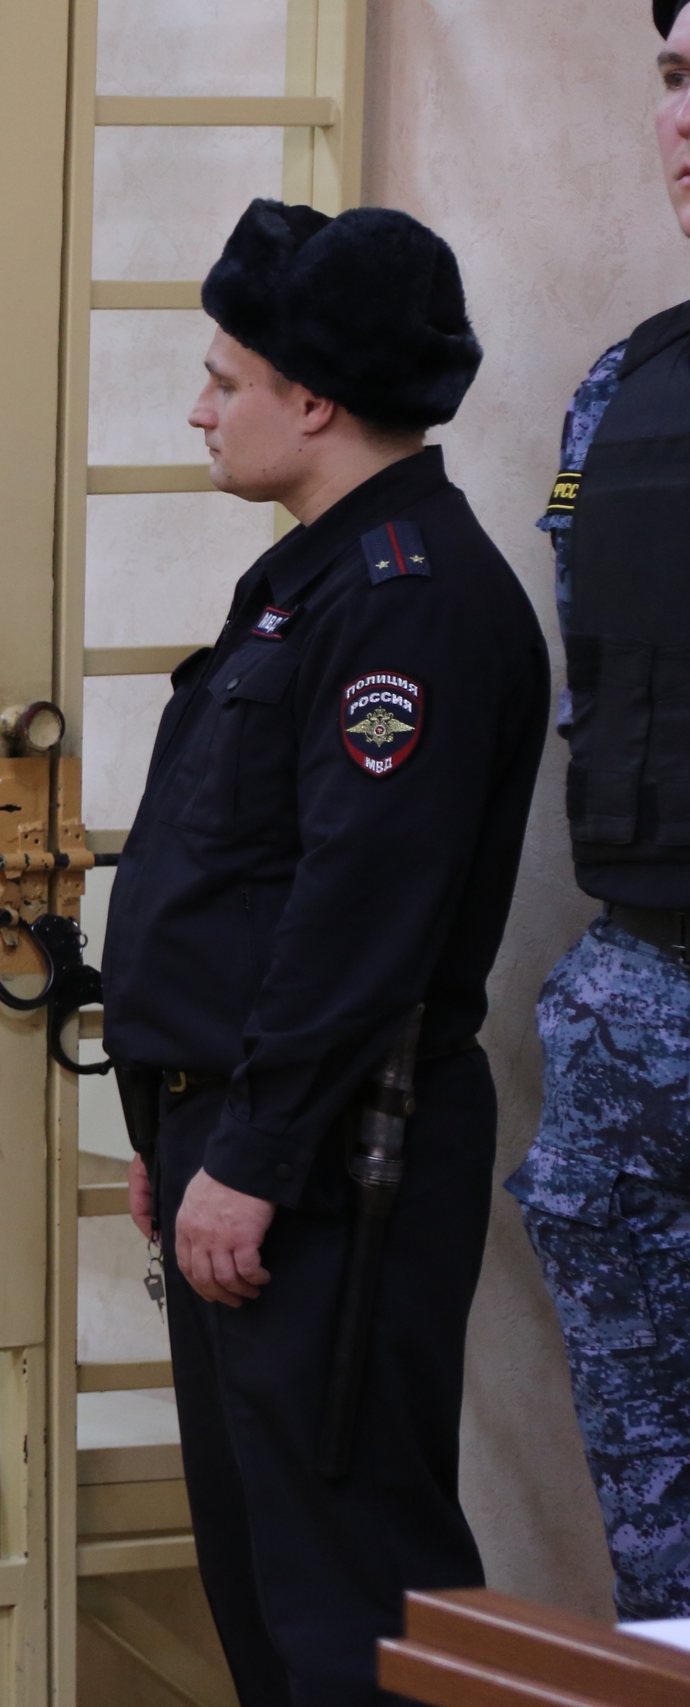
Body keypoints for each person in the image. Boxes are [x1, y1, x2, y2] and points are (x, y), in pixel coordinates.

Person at [101, 200, 549, 1707]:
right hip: (258, 1134)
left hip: (339, 1147)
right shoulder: (316, 576)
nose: (198, 407)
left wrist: (253, 1151)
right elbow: (241, 881)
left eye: (223, 377)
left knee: (350, 1589)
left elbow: (360, 918)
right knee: (263, 1573)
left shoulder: (407, 598)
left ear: (313, 400)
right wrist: (182, 1129)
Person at [510, 0, 690, 1624]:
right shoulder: (623, 385)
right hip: (638, 996)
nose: (684, 122)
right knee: (667, 1568)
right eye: (678, 80)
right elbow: (588, 630)